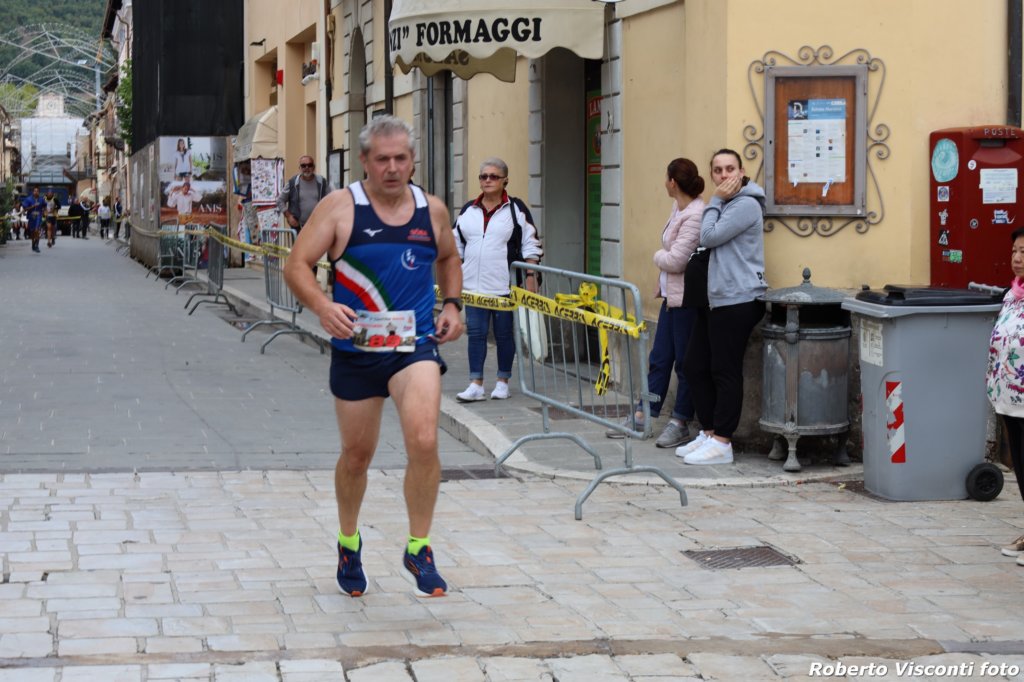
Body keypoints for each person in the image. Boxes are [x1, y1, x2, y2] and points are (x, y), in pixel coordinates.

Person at [283, 115, 464, 599]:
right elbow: (296, 264)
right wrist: (323, 306)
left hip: (414, 346)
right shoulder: (341, 208)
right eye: (381, 159)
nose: (392, 168)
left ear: (412, 160)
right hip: (357, 350)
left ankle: (419, 546)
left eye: (401, 158)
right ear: (364, 161)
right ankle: (348, 541)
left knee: (424, 439)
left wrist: (452, 304)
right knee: (357, 457)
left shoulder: (433, 210)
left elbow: (448, 258)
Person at [676, 148, 767, 465]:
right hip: (715, 298)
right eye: (718, 170)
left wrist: (713, 200)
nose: (724, 175)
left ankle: (723, 442)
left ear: (742, 172)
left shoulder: (746, 205)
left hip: (738, 298)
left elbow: (709, 235)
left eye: (730, 169)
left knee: (724, 370)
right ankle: (710, 431)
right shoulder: (727, 204)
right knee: (694, 365)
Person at [606, 158, 705, 448]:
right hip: (670, 299)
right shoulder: (679, 207)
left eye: (666, 178)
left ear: (673, 182)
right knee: (659, 358)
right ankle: (643, 412)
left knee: (684, 364)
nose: (664, 182)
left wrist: (657, 257)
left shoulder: (696, 214)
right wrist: (666, 258)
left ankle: (681, 421)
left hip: (687, 300)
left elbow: (675, 260)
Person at [453, 157, 542, 402]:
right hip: (474, 287)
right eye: (483, 176)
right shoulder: (468, 210)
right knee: (477, 334)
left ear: (505, 181)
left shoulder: (516, 209)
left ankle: (503, 381)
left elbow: (530, 244)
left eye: (493, 176)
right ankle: (476, 384)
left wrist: (531, 277)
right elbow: (455, 245)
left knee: (504, 335)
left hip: (504, 286)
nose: (488, 180)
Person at [986, 226, 1024, 565]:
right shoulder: (1012, 294)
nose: (1017, 258)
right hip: (1010, 397)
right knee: (1021, 467)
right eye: (1014, 251)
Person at [277, 155, 334, 234]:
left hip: (318, 225)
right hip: (298, 227)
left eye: (309, 165)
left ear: (314, 167)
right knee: (301, 247)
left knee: (316, 246)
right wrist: (289, 216)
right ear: (299, 168)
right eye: (303, 166)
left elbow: (332, 199)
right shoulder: (292, 183)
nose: (307, 168)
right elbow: (280, 201)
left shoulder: (322, 182)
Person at [21, 187, 45, 253]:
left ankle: (36, 245)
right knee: (32, 232)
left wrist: (44, 211)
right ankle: (33, 244)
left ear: (39, 192)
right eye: (35, 191)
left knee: (37, 230)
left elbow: (44, 206)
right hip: (31, 216)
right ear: (33, 192)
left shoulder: (41, 199)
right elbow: (25, 209)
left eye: (37, 191)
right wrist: (33, 206)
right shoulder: (28, 199)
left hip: (38, 216)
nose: (36, 192)